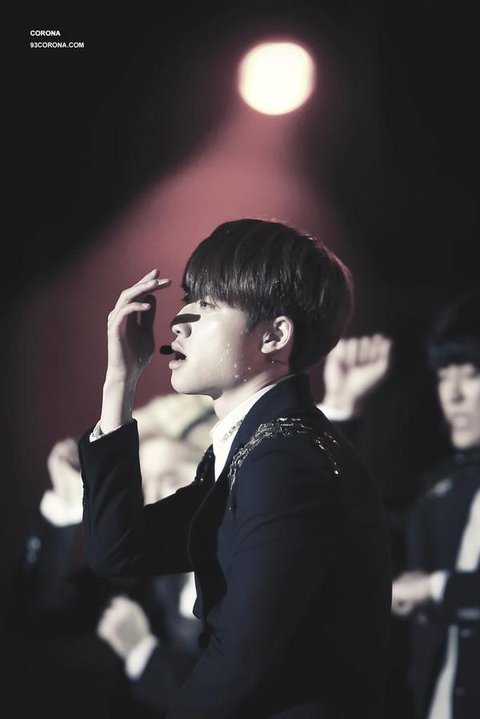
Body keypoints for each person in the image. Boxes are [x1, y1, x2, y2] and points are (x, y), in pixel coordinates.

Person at [78, 217, 393, 718]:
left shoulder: (286, 457)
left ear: (274, 336)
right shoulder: (258, 446)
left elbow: (242, 661)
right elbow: (119, 552)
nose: (179, 321)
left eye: (207, 304)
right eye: (189, 298)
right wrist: (120, 382)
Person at [8, 400, 209, 718]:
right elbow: (35, 612)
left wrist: (144, 655)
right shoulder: (134, 572)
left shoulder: (264, 565)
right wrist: (65, 503)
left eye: (173, 480)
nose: (154, 499)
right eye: (144, 485)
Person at [392, 289, 480, 719]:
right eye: (445, 376)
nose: (453, 395)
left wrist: (433, 588)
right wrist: (344, 410)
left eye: (472, 374)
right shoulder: (440, 487)